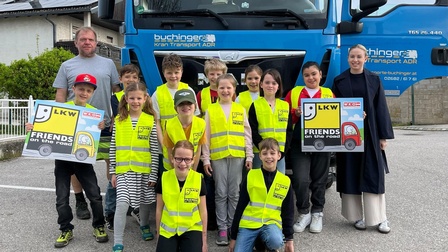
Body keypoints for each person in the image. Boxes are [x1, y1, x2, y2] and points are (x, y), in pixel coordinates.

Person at [27, 73, 109, 248]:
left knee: (94, 195)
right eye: (81, 89)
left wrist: (100, 127)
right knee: (61, 197)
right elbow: (45, 126)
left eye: (88, 90)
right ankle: (66, 229)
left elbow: (93, 137)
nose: (84, 92)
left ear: (92, 92)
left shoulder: (94, 113)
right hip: (63, 160)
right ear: (73, 89)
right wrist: (33, 127)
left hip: (83, 160)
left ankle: (99, 226)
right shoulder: (62, 108)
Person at [53, 26, 120, 220]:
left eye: (90, 39)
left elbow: (117, 92)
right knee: (76, 165)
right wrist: (60, 120)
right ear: (76, 43)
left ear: (96, 42)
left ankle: (112, 200)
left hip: (105, 124)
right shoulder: (67, 66)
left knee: (111, 162)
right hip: (76, 125)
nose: (87, 42)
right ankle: (80, 200)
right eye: (83, 39)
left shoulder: (108, 64)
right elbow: (61, 94)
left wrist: (117, 116)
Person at [331, 44, 394, 233]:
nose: (355, 60)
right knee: (350, 171)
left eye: (359, 57)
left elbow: (381, 108)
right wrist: (353, 114)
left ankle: (379, 218)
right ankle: (355, 216)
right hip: (348, 133)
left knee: (373, 173)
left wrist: (384, 136)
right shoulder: (339, 80)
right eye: (352, 56)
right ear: (348, 58)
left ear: (366, 58)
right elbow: (333, 108)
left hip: (370, 132)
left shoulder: (374, 79)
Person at [202, 73, 253, 246]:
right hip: (218, 157)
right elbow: (206, 136)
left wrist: (249, 155)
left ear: (234, 90)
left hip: (238, 156)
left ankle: (233, 226)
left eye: (228, 87)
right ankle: (222, 228)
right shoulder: (211, 110)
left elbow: (247, 133)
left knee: (235, 193)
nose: (225, 90)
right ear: (217, 89)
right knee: (220, 193)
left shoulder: (240, 109)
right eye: (221, 87)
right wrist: (206, 159)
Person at [285, 61, 335, 233]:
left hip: (323, 143)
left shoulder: (329, 94)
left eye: (314, 74)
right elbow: (283, 117)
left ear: (320, 74)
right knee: (300, 179)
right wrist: (294, 113)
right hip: (299, 144)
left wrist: (358, 115)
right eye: (307, 75)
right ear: (303, 77)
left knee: (320, 180)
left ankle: (317, 212)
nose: (311, 77)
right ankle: (304, 211)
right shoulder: (294, 93)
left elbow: (339, 116)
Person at [109, 82, 159, 252]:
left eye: (139, 98)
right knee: (122, 204)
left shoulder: (150, 120)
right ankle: (118, 241)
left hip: (144, 170)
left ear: (145, 99)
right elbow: (113, 147)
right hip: (124, 171)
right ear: (126, 99)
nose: (135, 101)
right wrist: (113, 171)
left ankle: (144, 226)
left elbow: (154, 149)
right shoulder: (119, 120)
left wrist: (153, 174)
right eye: (132, 98)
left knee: (145, 203)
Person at [229, 138, 294, 252]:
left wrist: (289, 240)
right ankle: (258, 243)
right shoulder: (251, 175)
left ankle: (265, 245)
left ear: (279, 155)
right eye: (265, 153)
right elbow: (240, 206)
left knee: (276, 241)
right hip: (249, 225)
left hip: (270, 224)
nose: (269, 157)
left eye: (272, 153)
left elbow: (288, 211)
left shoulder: (285, 181)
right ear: (260, 156)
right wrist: (233, 237)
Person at [151, 53, 200, 175]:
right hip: (167, 147)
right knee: (168, 180)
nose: (173, 76)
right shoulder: (158, 94)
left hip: (187, 148)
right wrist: (163, 144)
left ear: (182, 72)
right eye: (169, 73)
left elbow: (196, 118)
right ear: (163, 73)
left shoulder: (189, 91)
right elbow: (156, 122)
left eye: (176, 72)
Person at [155, 140, 208, 252]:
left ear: (193, 159)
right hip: (168, 229)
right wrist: (159, 234)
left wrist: (204, 240)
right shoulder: (164, 178)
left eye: (187, 159)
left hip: (191, 228)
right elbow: (159, 209)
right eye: (179, 158)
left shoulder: (199, 179)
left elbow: (203, 211)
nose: (183, 163)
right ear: (172, 158)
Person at [106, 63, 141, 231]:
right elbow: (121, 115)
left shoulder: (141, 94)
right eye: (127, 77)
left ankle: (135, 209)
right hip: (122, 144)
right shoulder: (116, 97)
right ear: (120, 79)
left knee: (137, 180)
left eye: (134, 77)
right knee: (116, 181)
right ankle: (110, 212)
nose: (130, 80)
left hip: (137, 145)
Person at [248, 69, 293, 172]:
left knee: (279, 183)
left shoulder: (285, 106)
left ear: (278, 86)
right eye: (267, 82)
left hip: (279, 154)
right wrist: (263, 149)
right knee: (259, 183)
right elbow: (253, 130)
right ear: (261, 85)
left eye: (274, 83)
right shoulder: (255, 105)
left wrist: (283, 152)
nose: (270, 85)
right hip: (260, 154)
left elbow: (289, 130)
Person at [162, 89, 206, 171]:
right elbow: (169, 151)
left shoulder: (201, 123)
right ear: (175, 108)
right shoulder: (169, 125)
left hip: (191, 167)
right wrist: (176, 173)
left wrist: (194, 171)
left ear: (195, 106)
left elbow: (198, 149)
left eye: (189, 103)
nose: (185, 106)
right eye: (181, 104)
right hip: (172, 169)